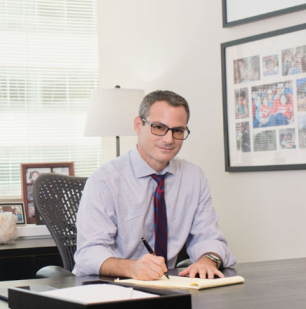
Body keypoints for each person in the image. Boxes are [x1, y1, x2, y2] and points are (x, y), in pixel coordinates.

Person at [73, 90, 236, 280]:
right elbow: (88, 253)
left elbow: (208, 237)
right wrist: (131, 268)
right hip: (110, 288)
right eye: (159, 127)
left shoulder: (194, 177)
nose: (169, 139)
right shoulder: (105, 180)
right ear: (138, 125)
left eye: (178, 131)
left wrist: (207, 260)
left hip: (165, 288)